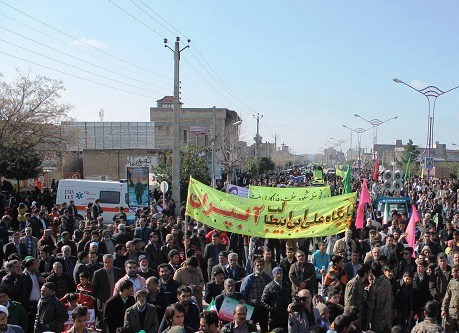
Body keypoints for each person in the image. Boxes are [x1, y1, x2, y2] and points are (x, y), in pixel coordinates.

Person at [92, 254, 124, 330]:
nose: (107, 264)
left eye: (109, 262)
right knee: (104, 323)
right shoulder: (98, 273)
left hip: (115, 300)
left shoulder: (118, 271)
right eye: (105, 262)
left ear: (112, 261)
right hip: (103, 301)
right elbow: (94, 289)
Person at [240, 257, 272, 332]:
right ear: (254, 266)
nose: (259, 267)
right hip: (251, 308)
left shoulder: (267, 278)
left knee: (264, 328)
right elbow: (243, 294)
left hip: (263, 308)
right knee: (251, 328)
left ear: (264, 266)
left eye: (261, 265)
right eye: (257, 265)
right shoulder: (248, 279)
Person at [261, 266, 292, 330]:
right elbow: (263, 301)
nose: (279, 275)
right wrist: (272, 309)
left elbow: (290, 297)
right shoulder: (269, 287)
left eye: (281, 273)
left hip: (286, 315)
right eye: (277, 273)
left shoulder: (287, 285)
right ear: (273, 275)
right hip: (274, 317)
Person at [442, 264, 459, 333]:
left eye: (453, 272)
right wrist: (443, 309)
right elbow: (447, 296)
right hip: (451, 312)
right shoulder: (452, 281)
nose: (452, 274)